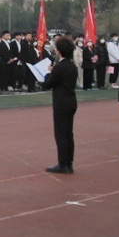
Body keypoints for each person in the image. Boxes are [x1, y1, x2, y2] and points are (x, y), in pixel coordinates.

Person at [40, 36, 78, 174]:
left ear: (59, 51)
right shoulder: (72, 66)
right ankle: (69, 163)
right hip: (71, 101)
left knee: (61, 134)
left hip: (61, 103)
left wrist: (47, 73)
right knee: (68, 133)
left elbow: (48, 84)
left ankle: (62, 164)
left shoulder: (59, 67)